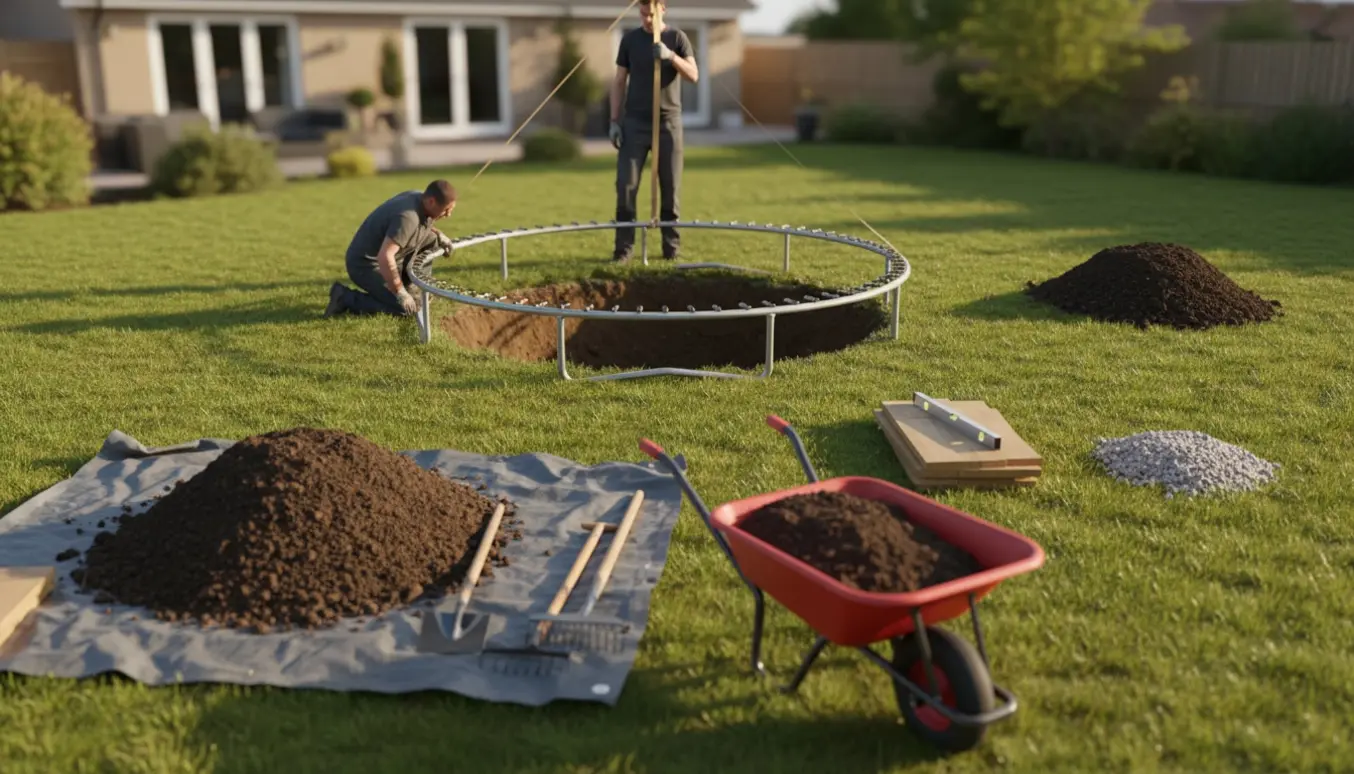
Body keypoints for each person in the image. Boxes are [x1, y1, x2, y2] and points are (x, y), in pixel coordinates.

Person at [609, 0, 699, 263]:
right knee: (626, 186)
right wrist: (615, 120)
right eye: (643, 14)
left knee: (670, 187)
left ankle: (670, 249)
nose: (647, 20)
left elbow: (694, 74)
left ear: (663, 10)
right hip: (635, 124)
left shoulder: (677, 38)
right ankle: (623, 249)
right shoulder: (630, 40)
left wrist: (671, 57)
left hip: (669, 123)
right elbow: (618, 81)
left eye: (651, 14)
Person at [325, 180, 457, 318]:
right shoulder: (408, 217)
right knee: (409, 309)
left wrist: (438, 234)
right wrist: (400, 293)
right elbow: (385, 256)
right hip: (366, 264)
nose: (448, 215)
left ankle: (415, 288)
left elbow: (415, 227)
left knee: (432, 240)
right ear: (431, 201)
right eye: (446, 210)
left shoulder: (419, 197)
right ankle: (344, 297)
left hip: (391, 256)